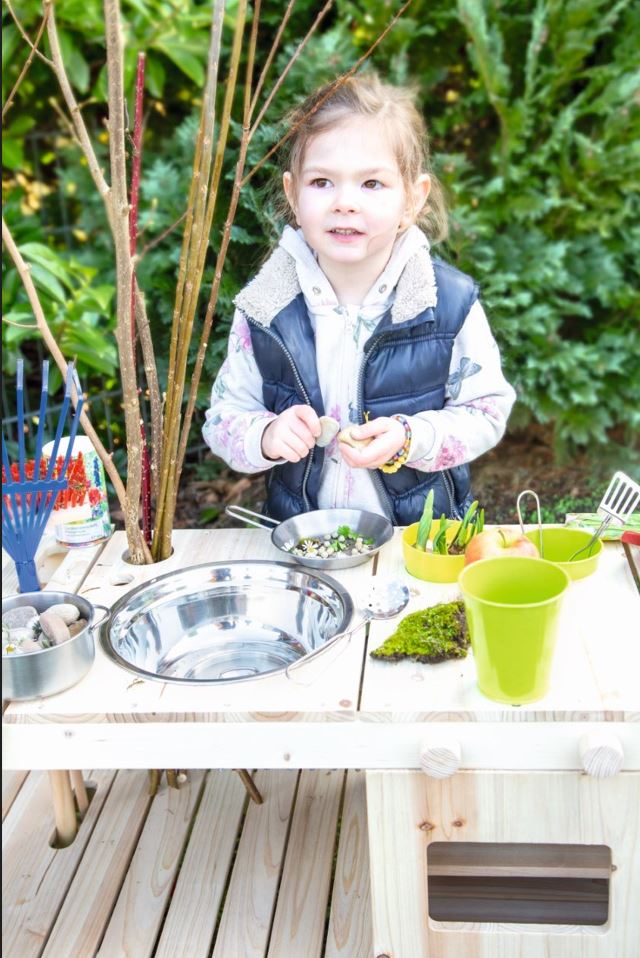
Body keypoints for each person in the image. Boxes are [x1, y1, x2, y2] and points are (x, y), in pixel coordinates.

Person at [203, 73, 516, 524]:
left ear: (413, 198)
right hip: (305, 543)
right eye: (322, 182)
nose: (344, 202)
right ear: (292, 194)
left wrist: (413, 437)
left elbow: (486, 412)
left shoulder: (447, 305)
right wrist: (266, 434)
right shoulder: (266, 309)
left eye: (371, 184)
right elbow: (222, 419)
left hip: (419, 544)